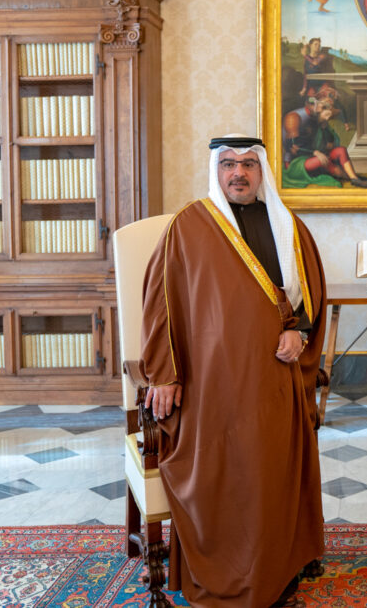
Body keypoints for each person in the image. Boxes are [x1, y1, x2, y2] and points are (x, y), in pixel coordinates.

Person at [140, 135, 327, 607]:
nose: (238, 173)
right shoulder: (189, 226)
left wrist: (300, 334)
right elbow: (160, 304)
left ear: (262, 171)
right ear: (216, 170)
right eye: (228, 164)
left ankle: (276, 568)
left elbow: (311, 295)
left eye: (247, 164)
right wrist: (164, 374)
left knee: (270, 476)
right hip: (211, 386)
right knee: (222, 477)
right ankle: (222, 570)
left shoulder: (288, 226)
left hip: (274, 379)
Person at [282, 92, 367, 188]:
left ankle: (353, 178)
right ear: (311, 105)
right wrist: (315, 152)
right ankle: (350, 177)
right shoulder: (294, 118)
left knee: (341, 150)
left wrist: (324, 126)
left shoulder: (317, 118)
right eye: (322, 106)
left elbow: (330, 144)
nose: (324, 110)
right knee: (325, 162)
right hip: (296, 163)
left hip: (313, 156)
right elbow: (291, 147)